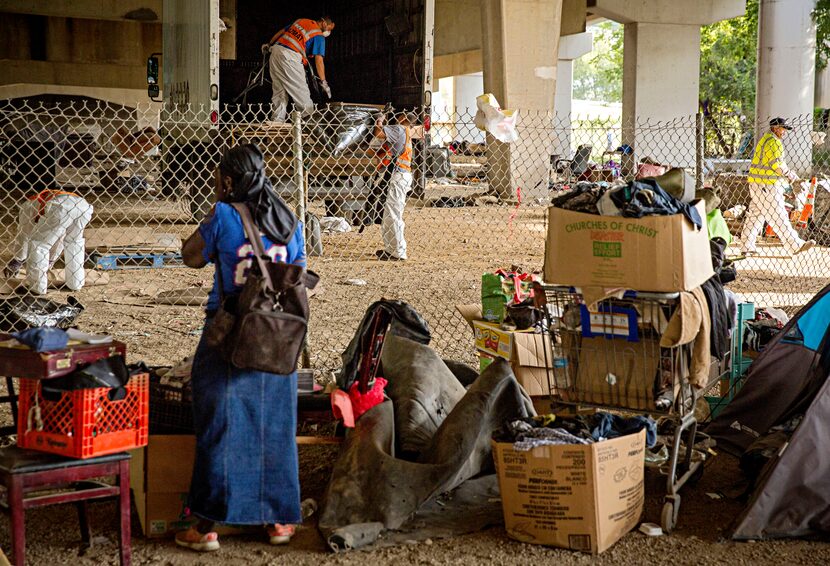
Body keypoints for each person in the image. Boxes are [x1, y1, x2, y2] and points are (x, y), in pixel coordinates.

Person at [176, 144, 306, 552]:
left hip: (230, 332)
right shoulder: (290, 222)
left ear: (229, 180)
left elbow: (191, 257)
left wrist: (214, 218)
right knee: (275, 426)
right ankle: (279, 520)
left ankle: (206, 526)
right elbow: (298, 273)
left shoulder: (225, 215)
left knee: (220, 425)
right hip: (279, 337)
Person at [740, 117, 815, 257]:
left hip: (757, 184)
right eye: (782, 128)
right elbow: (777, 166)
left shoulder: (766, 140)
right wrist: (790, 176)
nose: (784, 132)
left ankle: (746, 246)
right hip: (767, 185)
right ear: (775, 128)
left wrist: (789, 174)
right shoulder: (774, 142)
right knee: (779, 214)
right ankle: (795, 245)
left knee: (756, 215)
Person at [4, 189, 93, 295]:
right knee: (74, 243)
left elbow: (24, 235)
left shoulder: (26, 207)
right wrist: (51, 260)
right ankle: (75, 284)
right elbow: (59, 237)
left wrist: (17, 260)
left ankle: (37, 288)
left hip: (60, 206)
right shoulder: (42, 200)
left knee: (39, 244)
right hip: (83, 206)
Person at [263, 16, 335, 122]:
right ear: (324, 24)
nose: (329, 32)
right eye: (329, 29)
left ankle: (277, 122)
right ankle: (311, 125)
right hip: (290, 57)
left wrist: (269, 44)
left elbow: (282, 32)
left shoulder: (301, 21)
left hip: (275, 52)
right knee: (301, 92)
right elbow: (319, 60)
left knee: (279, 91)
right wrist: (324, 82)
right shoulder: (319, 35)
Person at [373, 111, 415, 261]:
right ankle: (391, 249)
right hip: (401, 175)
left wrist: (379, 121)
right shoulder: (408, 132)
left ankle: (398, 251)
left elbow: (378, 133)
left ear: (403, 119)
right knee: (389, 214)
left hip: (399, 175)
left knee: (393, 214)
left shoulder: (400, 129)